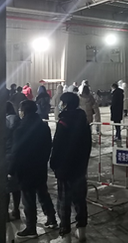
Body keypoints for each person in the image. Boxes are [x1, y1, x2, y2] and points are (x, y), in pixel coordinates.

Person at [10, 100, 57, 239]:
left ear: (23, 112)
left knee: (28, 199)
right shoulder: (43, 126)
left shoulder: (20, 129)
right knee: (42, 192)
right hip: (40, 166)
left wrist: (11, 170)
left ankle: (31, 228)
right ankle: (52, 218)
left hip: (25, 168)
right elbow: (49, 146)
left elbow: (16, 152)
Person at [50, 92, 92, 241]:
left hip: (65, 169)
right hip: (80, 168)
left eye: (62, 102)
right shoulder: (83, 121)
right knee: (80, 200)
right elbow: (88, 145)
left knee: (64, 202)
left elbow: (57, 146)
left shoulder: (64, 122)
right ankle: (81, 231)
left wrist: (53, 164)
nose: (60, 105)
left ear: (66, 104)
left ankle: (65, 234)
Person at [5, 101, 21, 221]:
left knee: (4, 187)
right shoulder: (19, 121)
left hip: (5, 155)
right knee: (16, 186)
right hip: (16, 155)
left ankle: (4, 212)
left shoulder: (3, 122)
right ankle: (16, 210)